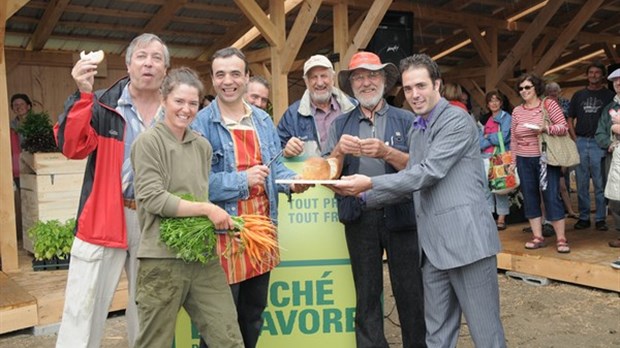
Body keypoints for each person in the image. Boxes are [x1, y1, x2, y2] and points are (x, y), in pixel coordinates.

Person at [332, 53, 506, 348]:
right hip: (432, 249)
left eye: (421, 86)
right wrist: (362, 196)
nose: (414, 94)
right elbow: (411, 177)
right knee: (436, 335)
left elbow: (427, 173)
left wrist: (369, 184)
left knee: (485, 334)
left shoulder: (456, 120)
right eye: (409, 88)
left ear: (438, 84)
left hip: (467, 243)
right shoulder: (418, 126)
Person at [53, 33, 168, 348]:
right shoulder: (101, 104)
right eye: (142, 56)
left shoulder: (175, 112)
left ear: (166, 70)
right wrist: (83, 93)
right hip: (104, 216)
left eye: (157, 57)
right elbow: (71, 147)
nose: (149, 63)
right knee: (83, 309)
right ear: (128, 63)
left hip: (154, 220)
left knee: (148, 310)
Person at [191, 47, 308, 348]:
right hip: (222, 233)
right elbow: (194, 185)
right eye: (220, 75)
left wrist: (293, 183)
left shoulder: (262, 120)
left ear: (245, 77)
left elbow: (275, 166)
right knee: (221, 322)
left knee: (253, 314)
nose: (227, 81)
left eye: (234, 74)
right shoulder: (201, 124)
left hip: (261, 232)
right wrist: (243, 180)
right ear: (212, 80)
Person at [131, 67, 244, 348]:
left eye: (193, 103)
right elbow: (153, 198)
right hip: (161, 259)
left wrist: (220, 223)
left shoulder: (202, 147)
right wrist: (207, 210)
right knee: (154, 342)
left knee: (228, 337)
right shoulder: (149, 142)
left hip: (202, 256)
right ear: (163, 99)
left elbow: (199, 193)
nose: (186, 109)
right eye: (179, 101)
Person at [324, 51, 425, 348]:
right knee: (366, 295)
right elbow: (328, 177)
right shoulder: (340, 125)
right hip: (359, 216)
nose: (366, 82)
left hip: (402, 213)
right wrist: (339, 152)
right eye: (359, 77)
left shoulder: (407, 120)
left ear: (384, 80)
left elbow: (421, 170)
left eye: (372, 75)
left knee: (411, 294)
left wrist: (386, 152)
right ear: (351, 84)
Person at [510, 73, 570, 253]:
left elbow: (563, 127)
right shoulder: (517, 111)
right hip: (523, 158)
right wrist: (513, 161)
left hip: (545, 158)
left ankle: (561, 238)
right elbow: (513, 138)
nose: (524, 91)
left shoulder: (548, 104)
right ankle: (537, 236)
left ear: (536, 88)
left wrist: (546, 129)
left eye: (527, 87)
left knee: (551, 195)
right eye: (521, 88)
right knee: (529, 196)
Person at [277, 54, 356, 157]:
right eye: (314, 77)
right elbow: (275, 153)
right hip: (310, 173)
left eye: (323, 76)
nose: (319, 83)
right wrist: (285, 152)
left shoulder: (353, 107)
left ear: (332, 79)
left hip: (350, 172)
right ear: (306, 82)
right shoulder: (292, 115)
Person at [568, 62, 615, 231]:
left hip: (599, 143)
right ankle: (584, 217)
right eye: (591, 72)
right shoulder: (579, 95)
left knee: (599, 183)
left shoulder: (609, 95)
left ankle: (601, 218)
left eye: (597, 72)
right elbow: (569, 118)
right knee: (581, 183)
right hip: (581, 140)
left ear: (602, 76)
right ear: (587, 75)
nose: (594, 75)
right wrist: (574, 138)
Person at [480, 90, 512, 230]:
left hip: (499, 156)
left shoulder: (506, 117)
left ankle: (501, 218)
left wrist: (488, 137)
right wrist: (489, 138)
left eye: (496, 100)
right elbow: (479, 142)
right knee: (486, 189)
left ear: (501, 102)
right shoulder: (484, 119)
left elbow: (504, 138)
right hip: (484, 157)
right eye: (491, 100)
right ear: (487, 104)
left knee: (500, 187)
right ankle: (489, 217)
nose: (494, 103)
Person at [546, 82, 579, 220]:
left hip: (563, 141)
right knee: (557, 183)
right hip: (549, 142)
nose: (553, 93)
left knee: (563, 182)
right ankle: (554, 213)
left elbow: (569, 121)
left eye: (555, 90)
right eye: (550, 90)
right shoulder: (543, 104)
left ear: (559, 91)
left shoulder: (565, 103)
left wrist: (574, 138)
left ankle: (569, 209)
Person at [595, 68, 620, 248]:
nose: (618, 83)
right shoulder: (609, 109)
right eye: (615, 81)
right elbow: (599, 132)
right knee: (615, 198)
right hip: (615, 155)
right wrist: (609, 144)